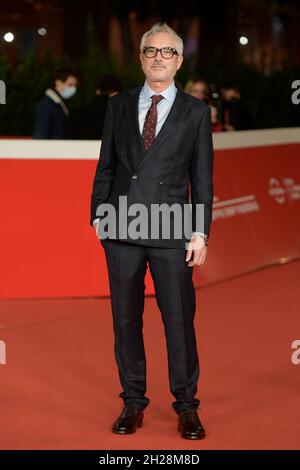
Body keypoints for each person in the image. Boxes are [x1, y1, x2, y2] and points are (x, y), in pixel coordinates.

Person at [90, 23, 214, 440]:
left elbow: (202, 179)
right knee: (125, 321)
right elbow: (105, 166)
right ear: (141, 57)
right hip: (121, 228)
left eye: (167, 51)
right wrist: (98, 217)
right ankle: (133, 401)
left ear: (179, 60)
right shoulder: (118, 106)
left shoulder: (196, 112)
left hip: (173, 230)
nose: (158, 57)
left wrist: (200, 232)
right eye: (151, 50)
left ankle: (186, 406)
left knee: (178, 321)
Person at [33, 67, 78, 139]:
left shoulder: (59, 103)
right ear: (58, 83)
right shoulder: (47, 105)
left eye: (75, 85)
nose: (73, 89)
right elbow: (41, 135)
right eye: (70, 85)